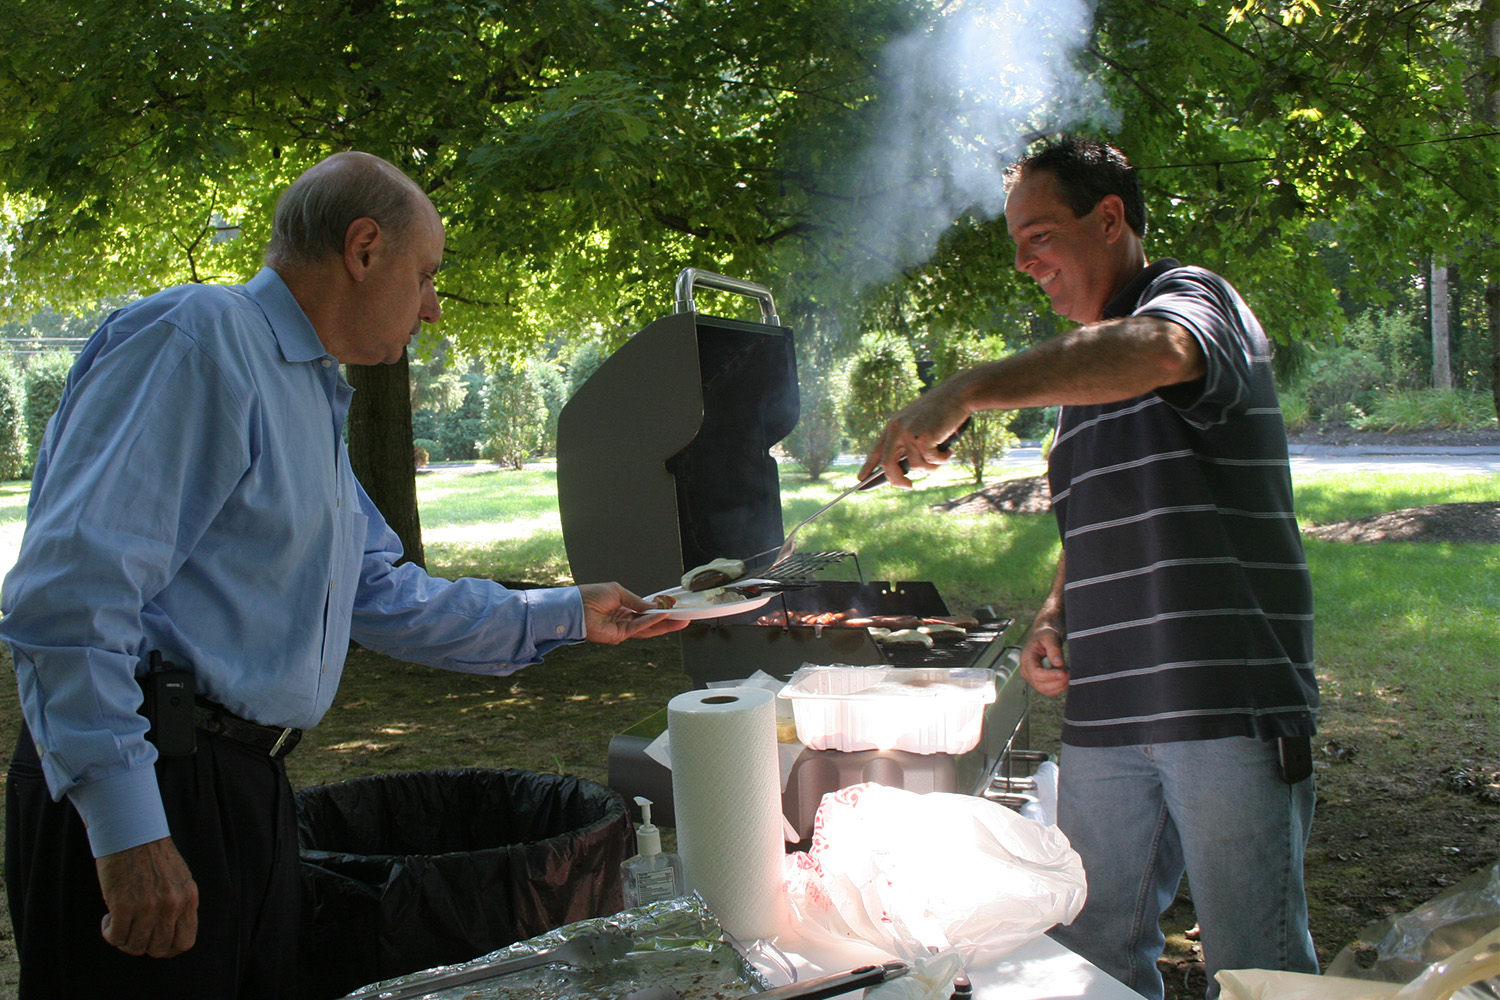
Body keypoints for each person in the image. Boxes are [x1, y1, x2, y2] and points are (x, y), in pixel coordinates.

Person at [0, 151, 688, 999]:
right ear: (364, 249)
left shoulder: (305, 388)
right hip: (151, 779)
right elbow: (69, 598)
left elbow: (380, 591)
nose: (434, 309)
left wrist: (569, 614)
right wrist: (127, 830)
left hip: (243, 790)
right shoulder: (198, 338)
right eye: (427, 275)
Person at [861, 136, 1319, 1000]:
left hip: (1223, 702)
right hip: (1108, 715)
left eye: (1040, 236)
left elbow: (1162, 352)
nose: (1027, 263)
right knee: (1090, 958)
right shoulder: (1080, 384)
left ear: (1109, 219)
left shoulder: (1191, 300)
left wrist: (964, 388)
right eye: (1017, 247)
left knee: (1260, 971)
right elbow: (1096, 526)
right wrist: (1052, 616)